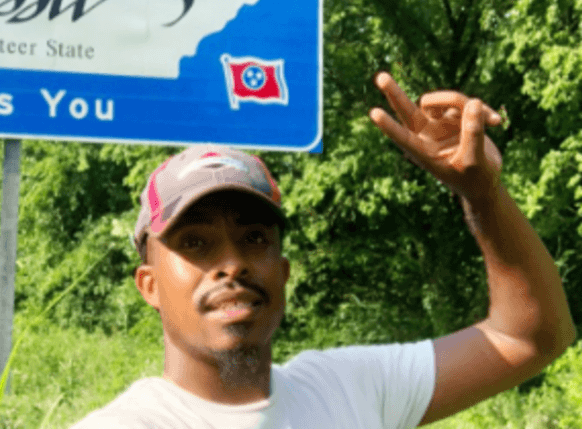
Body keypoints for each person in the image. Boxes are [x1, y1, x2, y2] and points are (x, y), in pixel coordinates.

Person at [69, 72, 576, 428]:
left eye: (255, 239)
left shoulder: (347, 389)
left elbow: (531, 337)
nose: (232, 264)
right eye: (195, 243)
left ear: (284, 272)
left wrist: (483, 196)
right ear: (149, 285)